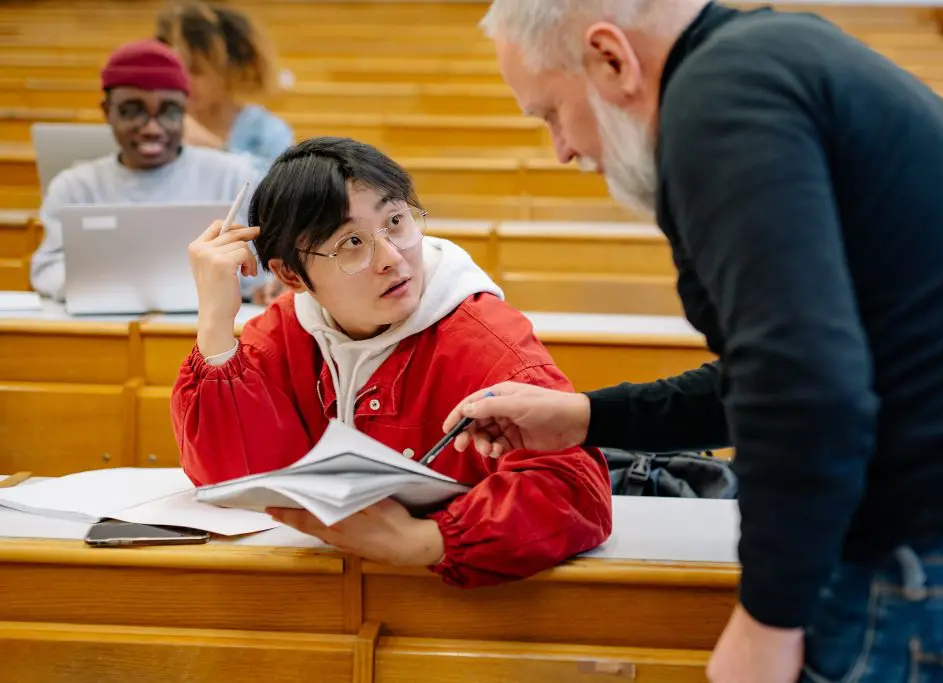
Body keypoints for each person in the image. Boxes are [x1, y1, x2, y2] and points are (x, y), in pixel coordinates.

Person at [444, 1, 943, 680]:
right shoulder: (767, 59)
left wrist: (767, 617)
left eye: (550, 112)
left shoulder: (718, 105)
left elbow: (801, 384)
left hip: (937, 556)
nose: (563, 148)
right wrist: (588, 418)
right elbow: (786, 367)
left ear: (611, 58)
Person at [171, 136, 612, 586]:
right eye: (352, 243)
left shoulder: (482, 338)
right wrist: (215, 324)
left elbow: (574, 489)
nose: (392, 258)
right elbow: (229, 479)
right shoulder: (287, 330)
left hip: (455, 601)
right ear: (290, 274)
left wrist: (428, 540)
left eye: (396, 221)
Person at [30, 38, 271, 303]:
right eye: (133, 112)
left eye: (169, 112)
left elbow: (263, 268)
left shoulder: (235, 177)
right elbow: (47, 269)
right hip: (109, 328)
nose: (152, 129)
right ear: (107, 111)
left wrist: (263, 286)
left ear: (185, 112)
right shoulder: (74, 187)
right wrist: (110, 292)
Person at [156, 1, 294, 172]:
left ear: (230, 70)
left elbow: (279, 187)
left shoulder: (267, 131)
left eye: (196, 70)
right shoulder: (157, 123)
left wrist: (216, 148)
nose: (184, 80)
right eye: (177, 67)